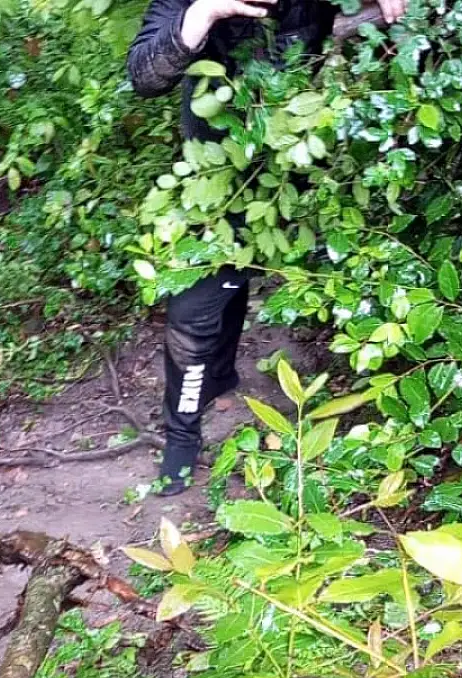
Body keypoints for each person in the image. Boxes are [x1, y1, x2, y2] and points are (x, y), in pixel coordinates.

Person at [126, 0, 408, 495]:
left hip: (294, 168)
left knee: (237, 273)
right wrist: (205, 12)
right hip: (214, 173)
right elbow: (144, 76)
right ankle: (182, 435)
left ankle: (218, 375)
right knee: (194, 305)